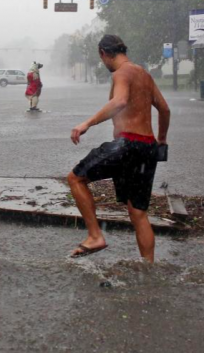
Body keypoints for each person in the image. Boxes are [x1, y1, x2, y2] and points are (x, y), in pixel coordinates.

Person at [67, 35, 170, 263]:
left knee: (76, 179)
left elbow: (120, 101)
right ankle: (148, 268)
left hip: (127, 145)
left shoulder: (121, 73)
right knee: (138, 213)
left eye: (100, 57)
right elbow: (164, 109)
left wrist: (87, 123)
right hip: (147, 147)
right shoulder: (143, 74)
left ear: (104, 53)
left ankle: (95, 236)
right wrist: (161, 140)